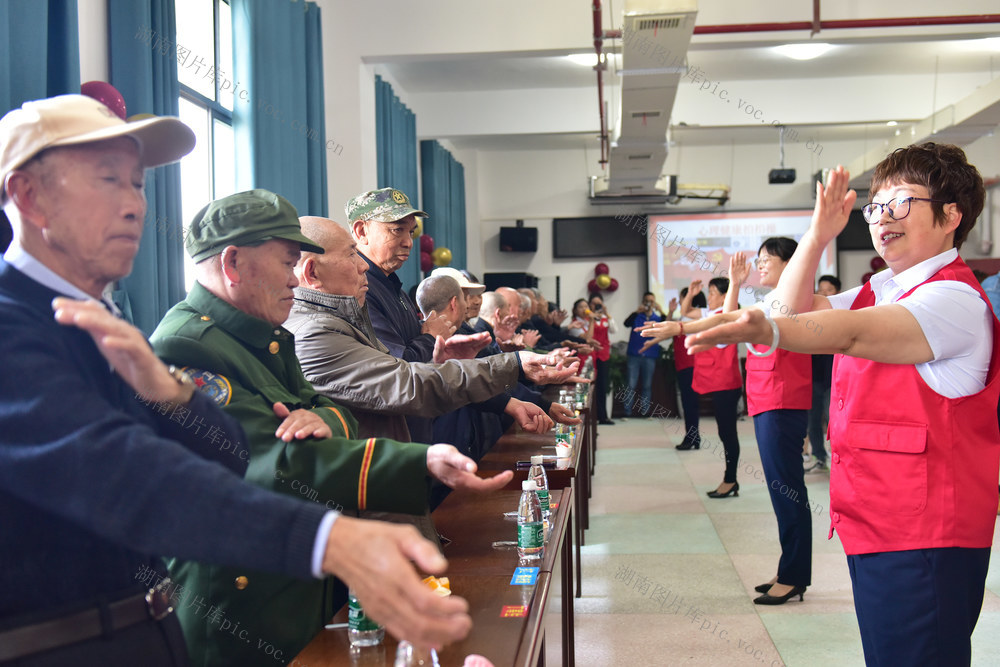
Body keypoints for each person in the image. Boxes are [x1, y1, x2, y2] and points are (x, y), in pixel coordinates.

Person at [0, 94, 468, 665]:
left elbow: (224, 454)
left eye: (138, 184)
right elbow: (122, 474)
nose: (134, 205)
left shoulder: (95, 319)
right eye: (107, 180)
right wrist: (326, 539)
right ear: (29, 196)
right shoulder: (13, 326)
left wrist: (171, 395)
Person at [149, 190, 511, 665]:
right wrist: (419, 460)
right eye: (287, 262)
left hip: (295, 584)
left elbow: (331, 412)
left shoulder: (264, 335)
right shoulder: (188, 346)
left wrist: (324, 418)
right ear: (234, 263)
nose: (294, 277)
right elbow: (272, 461)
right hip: (240, 606)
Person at [679, 147, 998, 665]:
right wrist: (817, 235)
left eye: (902, 202)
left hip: (925, 535)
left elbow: (844, 332)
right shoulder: (882, 289)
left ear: (950, 216)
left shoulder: (953, 299)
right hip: (880, 525)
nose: (883, 217)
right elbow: (791, 308)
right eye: (876, 207)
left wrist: (770, 330)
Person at [285, 217, 569, 444]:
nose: (362, 265)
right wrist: (513, 364)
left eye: (411, 232)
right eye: (351, 255)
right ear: (312, 273)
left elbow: (408, 373)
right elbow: (406, 383)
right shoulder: (314, 333)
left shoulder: (369, 301)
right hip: (378, 474)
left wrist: (439, 362)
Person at [727, 243, 813, 605]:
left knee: (787, 489)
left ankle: (794, 575)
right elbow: (730, 325)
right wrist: (735, 283)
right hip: (766, 401)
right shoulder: (773, 298)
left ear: (790, 264)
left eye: (767, 260)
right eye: (758, 260)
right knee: (781, 490)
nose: (760, 265)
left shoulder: (792, 300)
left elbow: (732, 328)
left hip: (782, 400)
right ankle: (789, 566)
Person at [646, 278, 742, 495]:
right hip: (716, 381)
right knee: (724, 432)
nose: (709, 296)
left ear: (725, 297)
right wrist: (690, 293)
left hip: (726, 382)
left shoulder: (727, 316)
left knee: (727, 433)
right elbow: (686, 311)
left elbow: (690, 320)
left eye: (713, 292)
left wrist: (677, 327)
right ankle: (730, 479)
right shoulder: (710, 313)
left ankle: (730, 480)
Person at [806, 274, 841, 472]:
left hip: (833, 379)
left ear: (838, 292)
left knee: (832, 420)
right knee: (813, 421)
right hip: (813, 377)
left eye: (829, 290)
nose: (824, 293)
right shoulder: (809, 314)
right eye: (821, 290)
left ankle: (839, 458)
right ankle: (819, 458)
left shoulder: (840, 315)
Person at [569, 295, 617, 424]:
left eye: (585, 306)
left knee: (590, 391)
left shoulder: (587, 322)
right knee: (582, 390)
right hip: (580, 360)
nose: (584, 309)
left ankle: (591, 419)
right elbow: (588, 338)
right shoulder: (575, 324)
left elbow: (593, 339)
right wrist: (591, 321)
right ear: (575, 310)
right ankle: (580, 420)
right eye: (581, 307)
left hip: (591, 358)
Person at [672, 286, 706, 449]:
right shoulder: (685, 317)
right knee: (689, 403)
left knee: (689, 403)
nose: (680, 301)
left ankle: (692, 438)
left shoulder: (691, 318)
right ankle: (693, 437)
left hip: (690, 365)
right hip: (684, 365)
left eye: (681, 298)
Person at [622, 291, 664, 418]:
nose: (649, 304)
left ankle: (645, 411)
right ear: (643, 302)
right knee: (631, 384)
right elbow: (626, 323)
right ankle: (627, 412)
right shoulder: (636, 316)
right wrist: (636, 311)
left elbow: (666, 323)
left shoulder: (657, 318)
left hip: (650, 355)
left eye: (651, 301)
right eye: (647, 301)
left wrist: (661, 310)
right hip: (634, 355)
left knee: (647, 385)